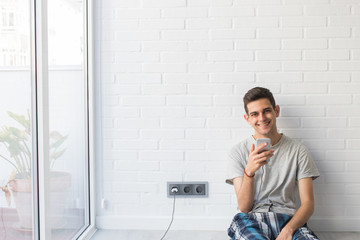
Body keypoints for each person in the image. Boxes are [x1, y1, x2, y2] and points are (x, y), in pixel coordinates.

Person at [226, 87, 320, 240]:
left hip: (289, 221)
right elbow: (244, 207)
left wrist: (289, 230)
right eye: (254, 114)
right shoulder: (237, 152)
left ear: (276, 111)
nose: (262, 118)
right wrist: (249, 173)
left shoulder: (298, 151)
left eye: (266, 111)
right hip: (250, 220)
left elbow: (308, 203)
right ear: (247, 118)